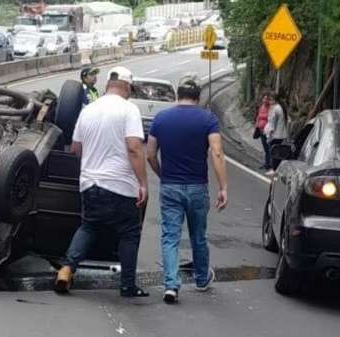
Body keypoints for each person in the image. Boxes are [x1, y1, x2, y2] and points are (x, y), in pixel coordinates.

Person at [54, 66, 150, 298]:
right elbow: (134, 148)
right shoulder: (129, 110)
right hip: (120, 185)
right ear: (127, 86)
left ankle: (67, 269)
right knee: (129, 233)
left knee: (89, 226)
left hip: (90, 183)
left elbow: (75, 148)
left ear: (108, 84)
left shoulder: (88, 110)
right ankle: (127, 285)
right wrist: (143, 183)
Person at [146, 77, 228, 304]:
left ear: (177, 95)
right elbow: (217, 152)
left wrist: (162, 174)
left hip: (170, 186)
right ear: (198, 97)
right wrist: (223, 187)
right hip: (197, 186)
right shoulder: (208, 119)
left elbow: (150, 154)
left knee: (170, 237)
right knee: (198, 236)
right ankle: (201, 279)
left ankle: (171, 285)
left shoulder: (161, 118)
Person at [263, 91, 288, 177]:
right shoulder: (281, 107)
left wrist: (269, 135)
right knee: (278, 153)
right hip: (281, 134)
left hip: (275, 135)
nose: (269, 102)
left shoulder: (276, 109)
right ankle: (276, 169)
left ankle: (274, 169)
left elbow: (272, 124)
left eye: (270, 100)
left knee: (274, 153)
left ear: (274, 100)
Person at [254, 91, 272, 170]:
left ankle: (270, 164)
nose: (265, 100)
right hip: (261, 130)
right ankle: (266, 163)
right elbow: (258, 116)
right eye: (264, 98)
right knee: (265, 148)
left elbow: (271, 118)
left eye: (267, 99)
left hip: (267, 131)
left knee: (269, 147)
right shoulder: (261, 107)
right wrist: (257, 125)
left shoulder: (271, 108)